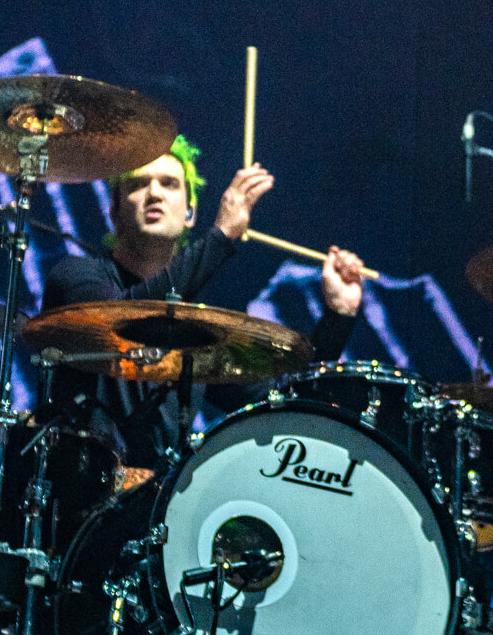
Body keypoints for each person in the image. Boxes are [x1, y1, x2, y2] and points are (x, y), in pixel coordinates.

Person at [41, 136, 369, 467]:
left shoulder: (194, 329)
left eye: (169, 184)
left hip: (155, 509)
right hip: (73, 495)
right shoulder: (76, 278)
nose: (154, 193)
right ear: (114, 211)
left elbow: (282, 398)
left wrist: (338, 318)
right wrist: (220, 237)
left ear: (190, 213)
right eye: (139, 184)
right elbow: (123, 318)